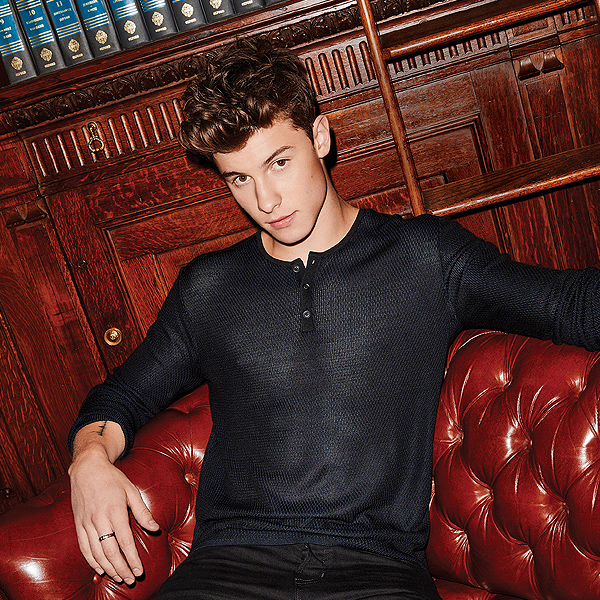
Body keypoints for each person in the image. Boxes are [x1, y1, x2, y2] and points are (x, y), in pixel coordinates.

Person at [67, 38, 600, 600]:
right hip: (230, 568)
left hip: (377, 571)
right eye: (239, 178)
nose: (266, 199)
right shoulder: (209, 287)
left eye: (278, 162)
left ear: (320, 137)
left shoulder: (424, 257)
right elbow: (121, 396)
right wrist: (89, 459)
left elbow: (568, 304)